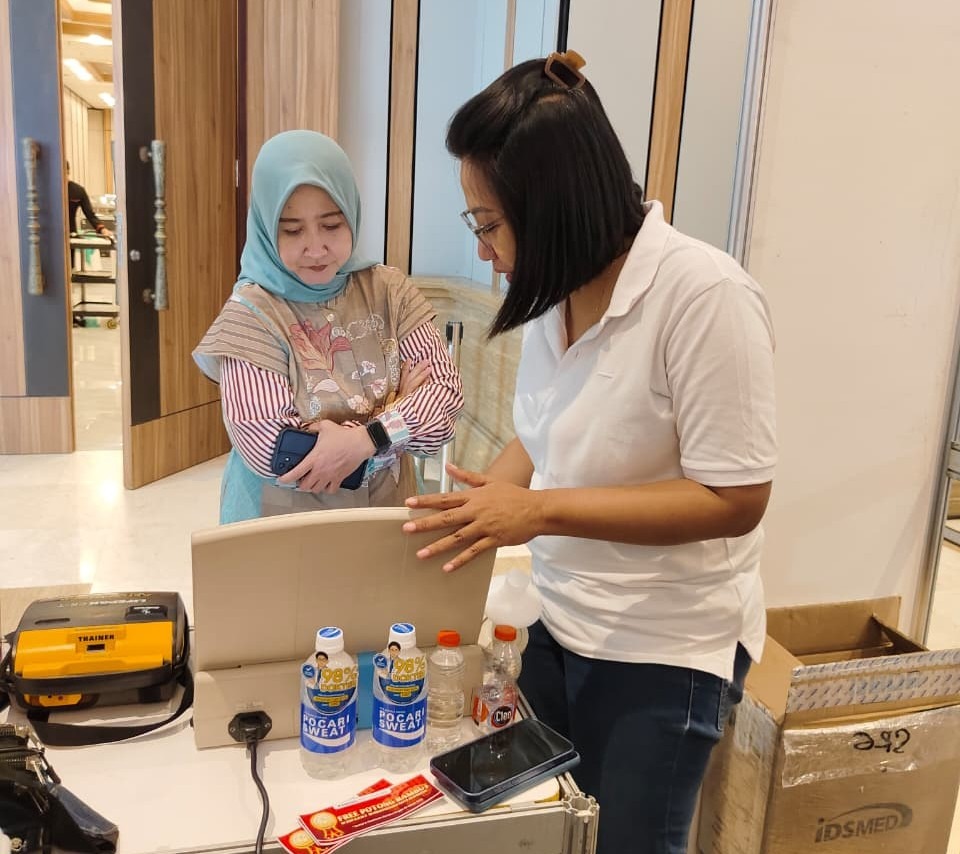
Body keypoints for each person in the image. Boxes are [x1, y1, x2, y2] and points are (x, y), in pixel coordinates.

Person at [402, 52, 776, 854]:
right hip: (561, 616)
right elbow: (542, 435)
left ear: (553, 205)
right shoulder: (557, 289)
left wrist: (535, 512)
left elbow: (734, 498)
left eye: (489, 224)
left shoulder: (705, 298)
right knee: (543, 826)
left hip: (664, 645)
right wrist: (476, 510)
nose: (484, 250)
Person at [194, 130, 463, 523]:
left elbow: (444, 404)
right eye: (292, 230)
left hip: (386, 514)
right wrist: (394, 421)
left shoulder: (390, 291)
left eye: (332, 225)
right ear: (267, 228)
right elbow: (271, 450)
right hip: (281, 526)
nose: (316, 248)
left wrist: (366, 439)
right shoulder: (251, 314)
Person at [66, 161, 113, 239]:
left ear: (68, 172)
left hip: (71, 235)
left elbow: (90, 214)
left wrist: (102, 229)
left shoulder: (78, 191)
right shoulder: (50, 190)